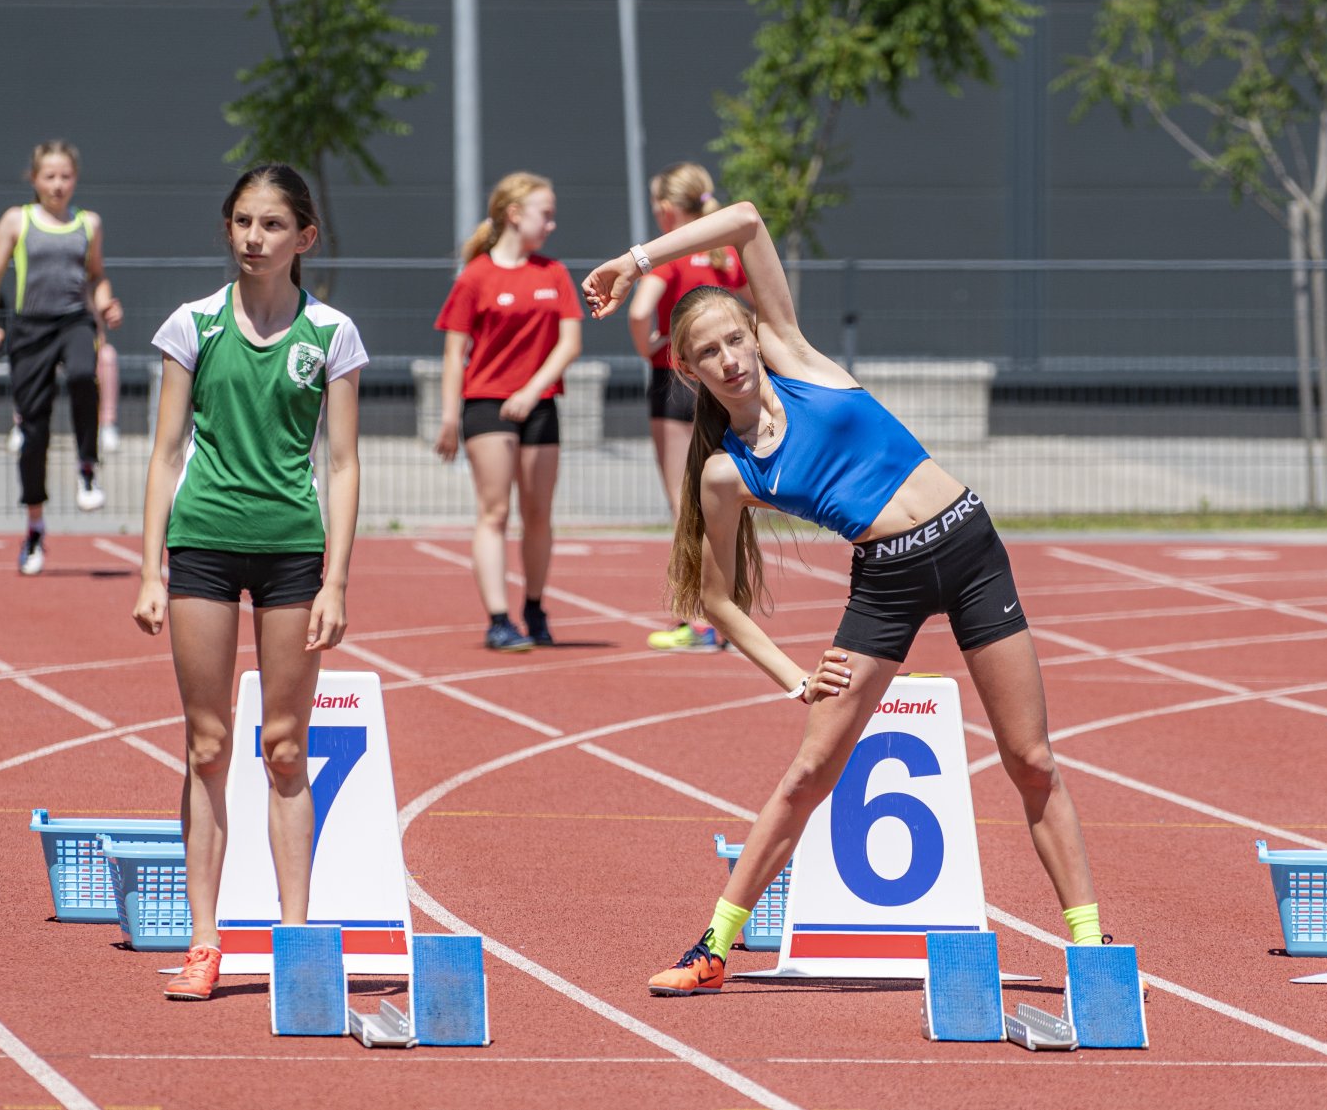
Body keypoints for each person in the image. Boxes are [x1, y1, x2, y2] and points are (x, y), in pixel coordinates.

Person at [582, 200, 1106, 997]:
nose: (729, 358)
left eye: (733, 338)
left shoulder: (795, 356)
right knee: (808, 771)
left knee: (1031, 760)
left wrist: (638, 259)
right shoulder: (728, 474)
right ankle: (714, 947)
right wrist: (793, 678)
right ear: (686, 372)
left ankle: (1093, 944)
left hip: (968, 546)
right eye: (707, 353)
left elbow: (749, 221)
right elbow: (717, 600)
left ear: (755, 336)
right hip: (887, 579)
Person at [132, 164, 365, 1002]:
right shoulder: (191, 325)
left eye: (271, 224)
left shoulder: (331, 333)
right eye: (241, 222)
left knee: (285, 748)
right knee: (205, 745)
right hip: (202, 545)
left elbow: (341, 464)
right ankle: (204, 940)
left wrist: (337, 577)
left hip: (293, 554)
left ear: (304, 237)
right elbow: (163, 455)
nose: (253, 238)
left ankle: (296, 936)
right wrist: (149, 566)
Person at [433, 171, 583, 651]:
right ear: (515, 215)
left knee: (537, 512)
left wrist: (533, 389)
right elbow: (455, 353)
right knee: (494, 511)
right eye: (546, 213)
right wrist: (450, 418)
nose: (553, 224)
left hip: (539, 404)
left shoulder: (553, 273)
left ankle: (535, 609)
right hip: (486, 403)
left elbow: (570, 342)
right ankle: (499, 619)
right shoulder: (476, 276)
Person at [0, 141, 123, 574]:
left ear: (75, 179)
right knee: (33, 429)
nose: (58, 185)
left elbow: (96, 277)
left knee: (82, 375)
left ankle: (87, 466)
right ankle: (35, 526)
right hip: (30, 327)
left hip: (74, 320)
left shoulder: (88, 223)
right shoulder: (16, 220)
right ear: (35, 179)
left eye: (65, 176)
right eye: (49, 176)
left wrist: (107, 302)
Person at [627, 163, 748, 651]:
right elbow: (749, 309)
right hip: (722, 381)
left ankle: (700, 619)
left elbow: (639, 311)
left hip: (676, 378)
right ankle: (725, 612)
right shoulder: (725, 259)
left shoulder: (669, 261)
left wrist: (652, 346)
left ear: (665, 211)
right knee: (722, 500)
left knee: (685, 506)